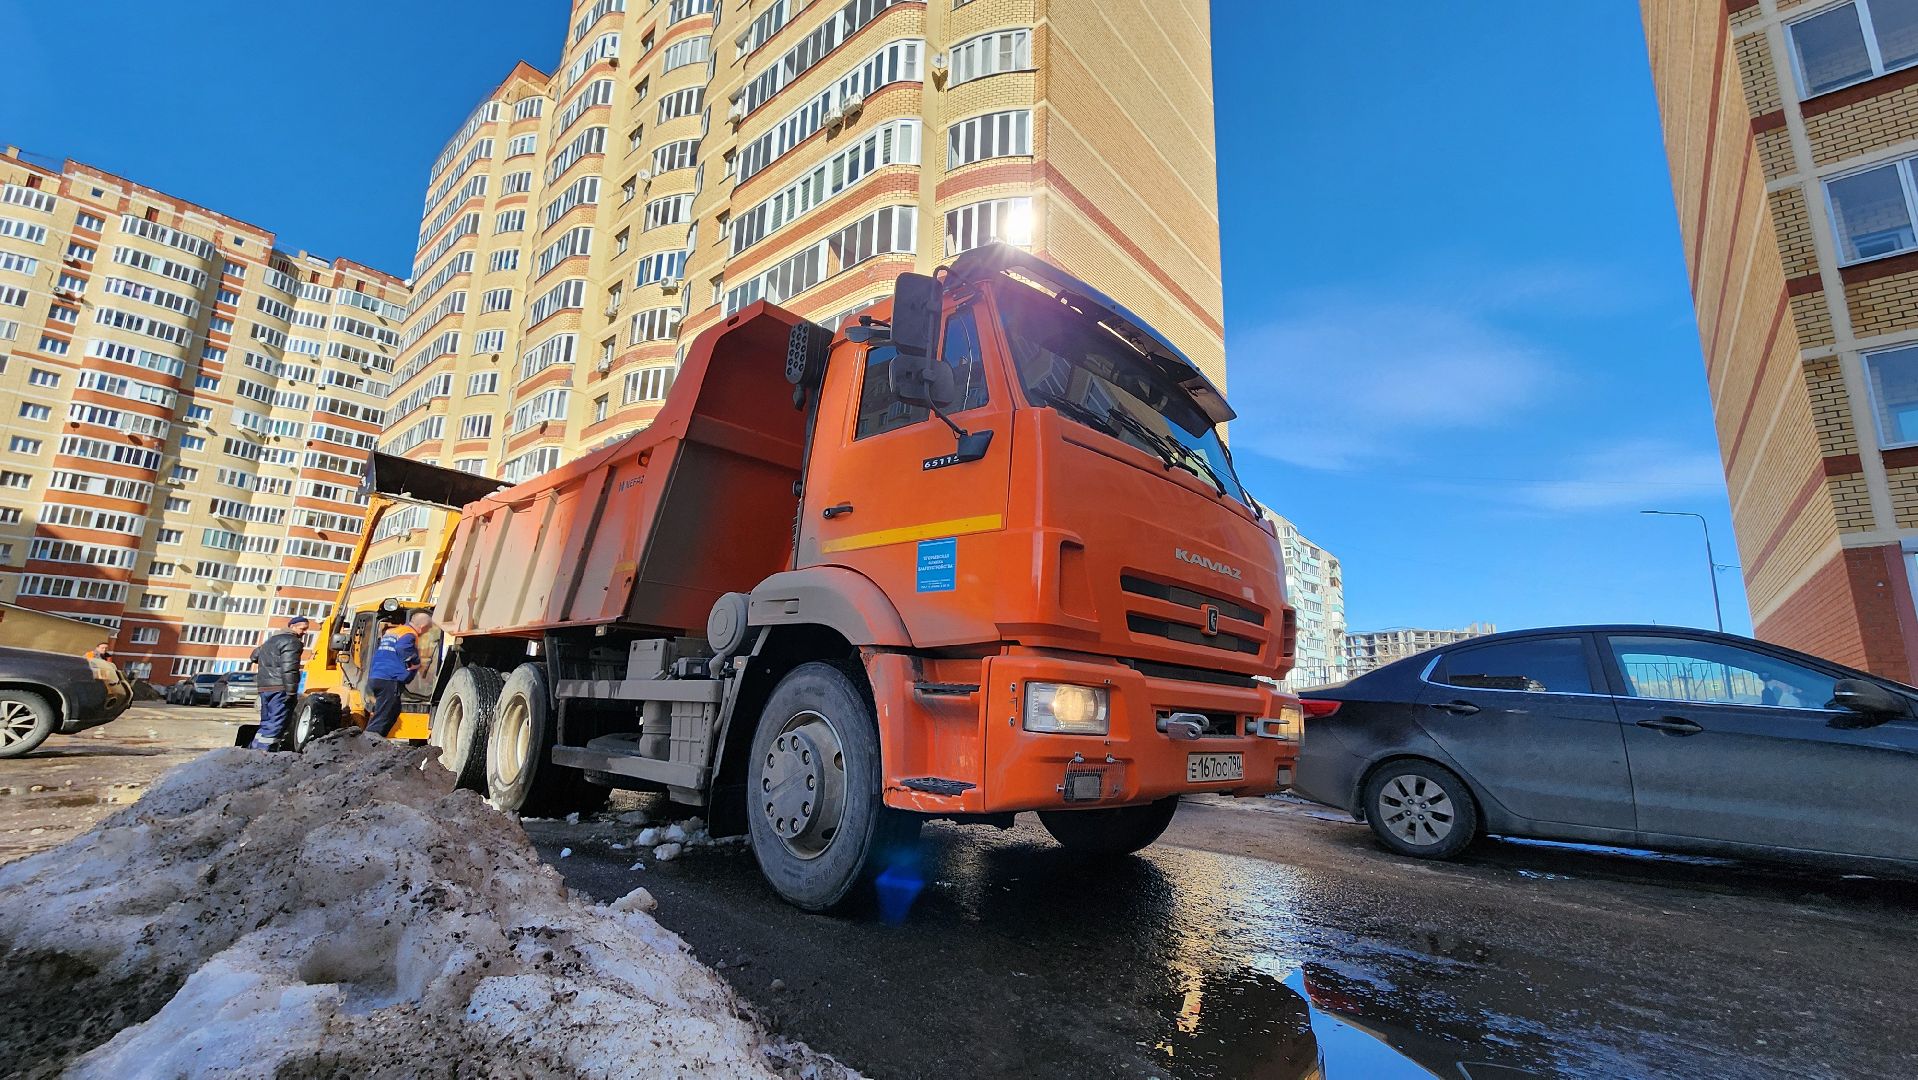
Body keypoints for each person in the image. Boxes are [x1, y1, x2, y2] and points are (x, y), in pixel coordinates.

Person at [367, 610, 433, 738]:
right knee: (385, 715)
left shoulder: (394, 632)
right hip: (390, 680)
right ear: (423, 627)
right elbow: (403, 648)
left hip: (377, 677)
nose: (427, 632)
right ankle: (369, 744)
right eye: (428, 629)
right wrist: (415, 662)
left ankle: (372, 741)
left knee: (390, 711)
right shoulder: (409, 634)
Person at [248, 616, 308, 750]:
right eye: (303, 629)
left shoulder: (271, 640)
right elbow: (290, 669)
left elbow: (253, 656)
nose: (305, 632)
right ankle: (263, 755)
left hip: (264, 688)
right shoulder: (292, 642)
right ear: (292, 627)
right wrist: (291, 692)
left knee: (266, 723)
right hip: (279, 688)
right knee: (276, 724)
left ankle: (254, 750)